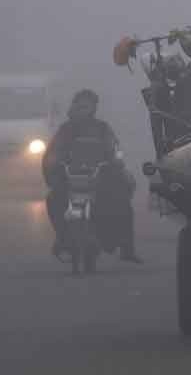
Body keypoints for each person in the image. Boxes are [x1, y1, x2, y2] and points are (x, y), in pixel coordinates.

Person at [42, 89, 143, 264]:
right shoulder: (65, 130)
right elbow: (52, 154)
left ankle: (127, 248)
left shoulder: (103, 128)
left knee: (122, 202)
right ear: (74, 107)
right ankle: (62, 237)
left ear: (93, 108)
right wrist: (53, 167)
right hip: (69, 179)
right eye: (80, 105)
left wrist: (116, 162)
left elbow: (115, 149)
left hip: (101, 177)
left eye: (87, 106)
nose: (83, 109)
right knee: (53, 199)